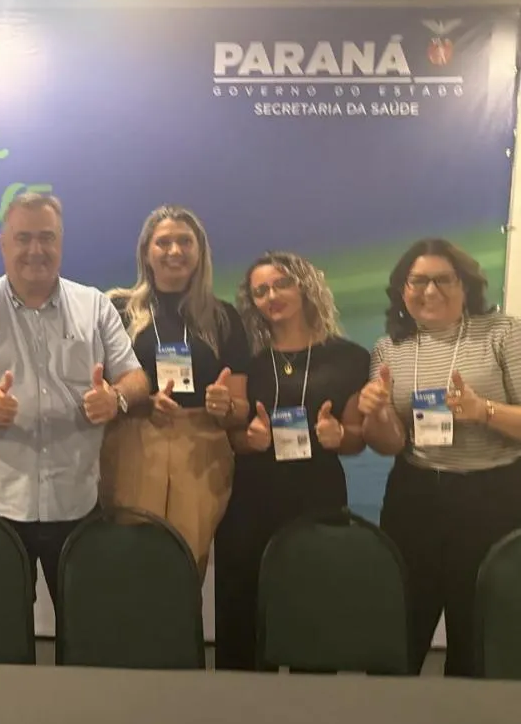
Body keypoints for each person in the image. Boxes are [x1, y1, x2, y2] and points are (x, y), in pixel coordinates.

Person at [0, 191, 150, 608]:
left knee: (86, 623)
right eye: (23, 237)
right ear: (3, 244)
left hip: (78, 502)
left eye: (46, 237)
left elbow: (137, 379)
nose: (35, 249)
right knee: (1, 626)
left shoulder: (95, 307)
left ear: (60, 242)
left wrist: (116, 398)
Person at [360, 238, 521, 677]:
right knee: (399, 627)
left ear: (465, 285)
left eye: (443, 280)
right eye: (418, 281)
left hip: (491, 497)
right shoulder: (389, 349)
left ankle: (465, 715)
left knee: (477, 632)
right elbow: (391, 443)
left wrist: (483, 411)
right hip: (415, 496)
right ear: (402, 290)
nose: (429, 290)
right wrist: (376, 415)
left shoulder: (504, 333)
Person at [214, 251, 369, 671]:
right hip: (250, 500)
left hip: (318, 497)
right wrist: (249, 439)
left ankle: (311, 700)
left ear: (305, 286)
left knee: (313, 611)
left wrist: (340, 436)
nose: (272, 296)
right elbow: (233, 435)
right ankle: (239, 700)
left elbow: (357, 438)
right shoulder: (247, 359)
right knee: (243, 614)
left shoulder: (351, 358)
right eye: (261, 291)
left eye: (282, 284)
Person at [101, 205, 250, 577]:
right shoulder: (116, 309)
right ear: (146, 252)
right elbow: (97, 385)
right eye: (163, 242)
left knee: (185, 565)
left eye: (185, 241)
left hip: (201, 451)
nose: (174, 251)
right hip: (133, 441)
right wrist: (140, 402)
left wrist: (226, 405)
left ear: (200, 252)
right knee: (130, 561)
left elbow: (241, 408)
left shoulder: (223, 317)